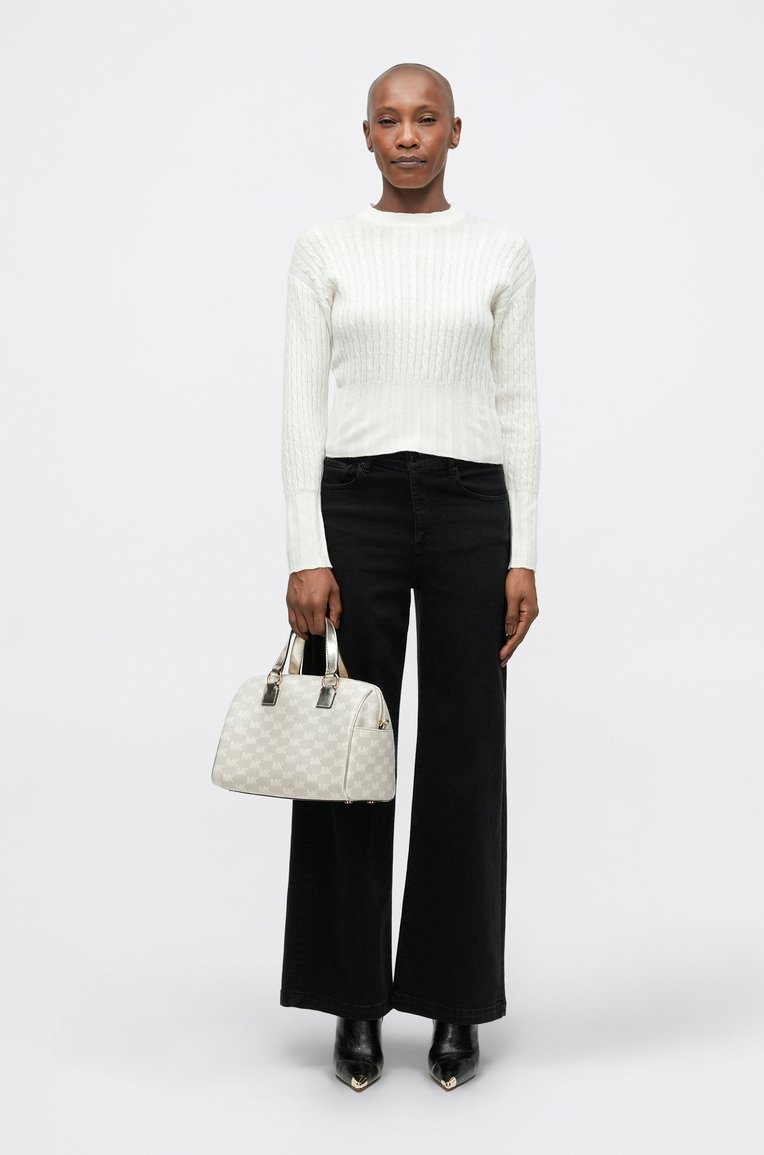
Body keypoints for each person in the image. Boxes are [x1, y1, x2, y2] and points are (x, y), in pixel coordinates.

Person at [278, 61, 541, 1092]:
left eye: (425, 119)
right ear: (366, 134)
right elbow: (300, 401)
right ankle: (353, 998)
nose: (407, 136)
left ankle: (454, 998)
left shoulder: (500, 250)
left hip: (474, 506)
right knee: (351, 750)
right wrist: (305, 546)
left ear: (454, 132)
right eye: (388, 120)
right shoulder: (326, 247)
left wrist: (524, 549)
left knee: (466, 751)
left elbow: (518, 403)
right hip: (357, 503)